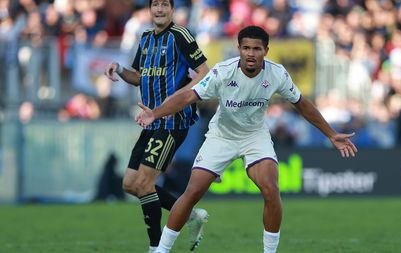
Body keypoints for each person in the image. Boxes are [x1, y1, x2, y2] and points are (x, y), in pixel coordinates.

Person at [135, 25, 358, 253]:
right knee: (193, 192)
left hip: (254, 136)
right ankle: (162, 251)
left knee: (271, 189)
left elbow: (301, 103)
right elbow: (188, 97)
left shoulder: (277, 73)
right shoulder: (222, 72)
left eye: (257, 49)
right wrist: (155, 113)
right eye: (246, 48)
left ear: (266, 51)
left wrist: (331, 134)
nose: (251, 53)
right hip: (221, 136)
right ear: (239, 49)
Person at [104, 0, 210, 252]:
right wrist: (119, 69)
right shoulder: (146, 38)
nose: (160, 9)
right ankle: (190, 215)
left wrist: (179, 98)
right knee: (130, 183)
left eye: (165, 4)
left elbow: (205, 72)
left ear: (172, 9)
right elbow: (139, 76)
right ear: (150, 10)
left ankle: (156, 247)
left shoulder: (180, 35)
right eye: (155, 5)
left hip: (173, 120)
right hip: (152, 121)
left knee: (143, 184)